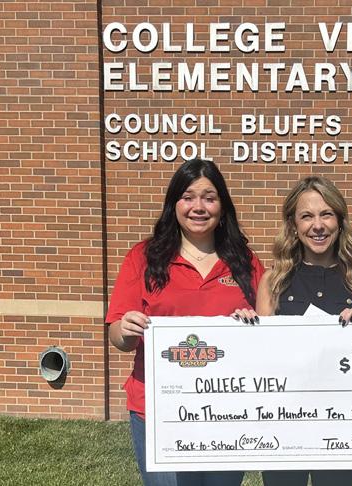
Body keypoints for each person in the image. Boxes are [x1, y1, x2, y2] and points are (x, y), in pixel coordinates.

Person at [106, 159, 265, 486]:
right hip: (158, 409)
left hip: (227, 410)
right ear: (173, 204)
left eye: (209, 197)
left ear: (223, 206)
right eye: (188, 197)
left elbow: (268, 334)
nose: (198, 207)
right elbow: (117, 336)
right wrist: (126, 329)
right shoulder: (143, 257)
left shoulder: (245, 262)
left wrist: (254, 326)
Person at [236, 176, 352, 486]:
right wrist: (244, 330)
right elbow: (261, 359)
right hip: (284, 426)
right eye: (307, 216)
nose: (318, 225)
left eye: (326, 214)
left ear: (340, 221)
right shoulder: (273, 281)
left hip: (343, 427)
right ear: (293, 224)